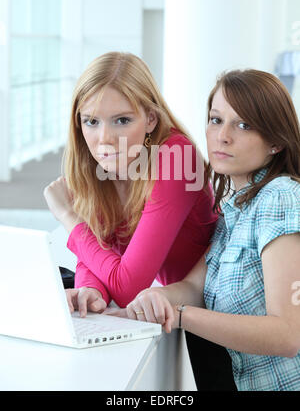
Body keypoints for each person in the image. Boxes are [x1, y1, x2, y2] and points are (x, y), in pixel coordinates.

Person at [120, 69, 300, 391]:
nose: (223, 135)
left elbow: (287, 334)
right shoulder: (236, 209)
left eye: (243, 125)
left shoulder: (280, 197)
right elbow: (194, 286)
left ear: (275, 142)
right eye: (216, 120)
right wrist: (156, 297)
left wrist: (181, 313)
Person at [43, 51, 218, 318]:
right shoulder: (108, 163)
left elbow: (127, 289)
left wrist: (69, 216)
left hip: (217, 309)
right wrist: (90, 289)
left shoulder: (177, 158)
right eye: (91, 121)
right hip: (174, 304)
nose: (105, 139)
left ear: (151, 119)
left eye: (122, 120)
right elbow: (97, 245)